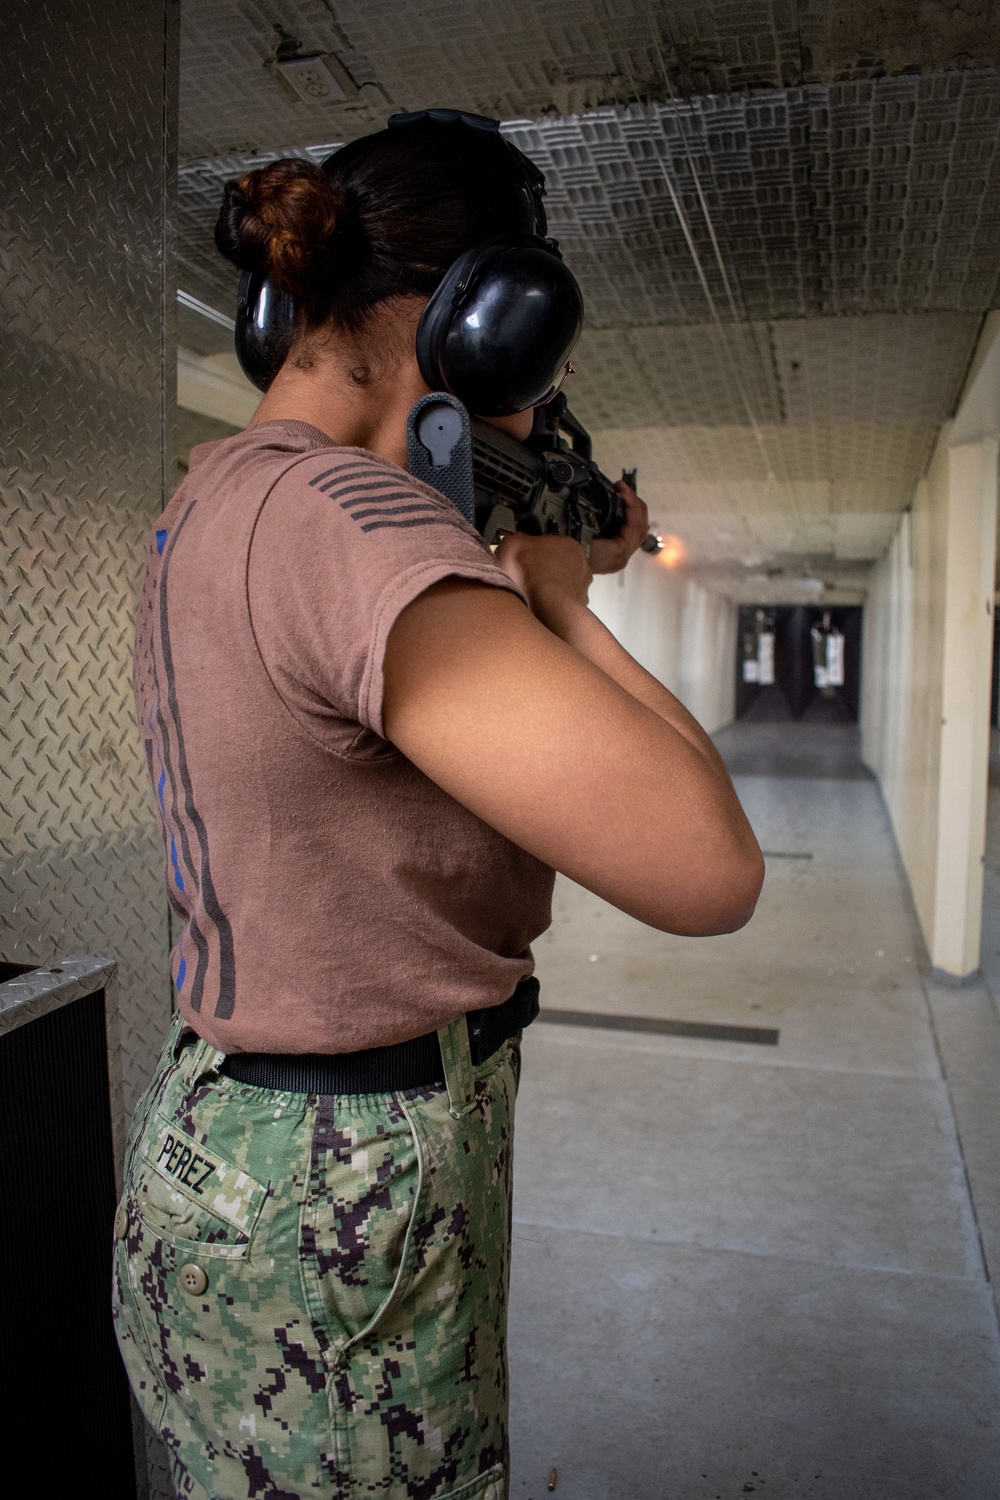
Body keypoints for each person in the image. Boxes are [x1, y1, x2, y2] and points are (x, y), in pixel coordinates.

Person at [113, 111, 763, 1500]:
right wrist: (566, 609)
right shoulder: (356, 526)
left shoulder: (217, 499)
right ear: (477, 329)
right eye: (531, 374)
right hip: (345, 1187)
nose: (531, 410)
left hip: (233, 1144)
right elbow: (711, 871)